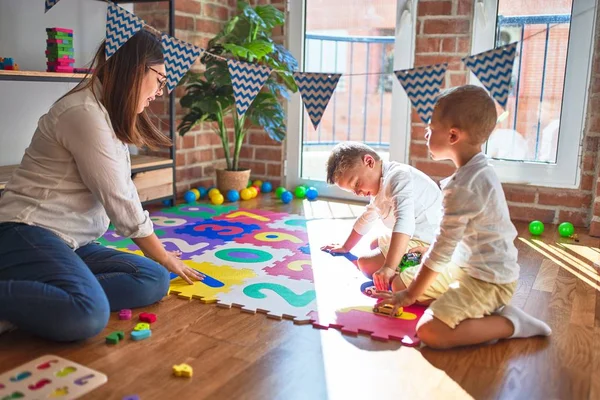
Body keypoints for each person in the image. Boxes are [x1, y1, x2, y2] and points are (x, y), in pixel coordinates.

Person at [0, 29, 203, 342]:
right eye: (160, 80)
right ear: (137, 70)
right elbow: (119, 199)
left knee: (153, 278)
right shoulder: (83, 113)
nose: (160, 91)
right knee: (87, 314)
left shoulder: (105, 113)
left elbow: (123, 190)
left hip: (71, 243)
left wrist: (160, 261)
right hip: (25, 231)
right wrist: (163, 253)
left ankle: (39, 300)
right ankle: (45, 300)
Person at [375, 85, 552, 349]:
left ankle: (510, 323)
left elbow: (441, 250)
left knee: (430, 332)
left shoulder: (465, 187)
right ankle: (479, 310)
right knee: (410, 289)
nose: (426, 133)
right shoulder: (476, 171)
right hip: (467, 268)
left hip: (488, 281)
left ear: (453, 135)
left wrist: (410, 295)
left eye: (432, 128)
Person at [321, 142, 443, 291]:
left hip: (427, 240)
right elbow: (368, 217)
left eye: (357, 183)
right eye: (353, 191)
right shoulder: (379, 184)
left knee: (365, 264)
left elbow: (404, 222)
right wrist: (346, 247)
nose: (358, 192)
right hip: (414, 235)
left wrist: (389, 268)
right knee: (374, 244)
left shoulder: (399, 177)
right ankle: (403, 265)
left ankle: (420, 261)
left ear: (369, 162)